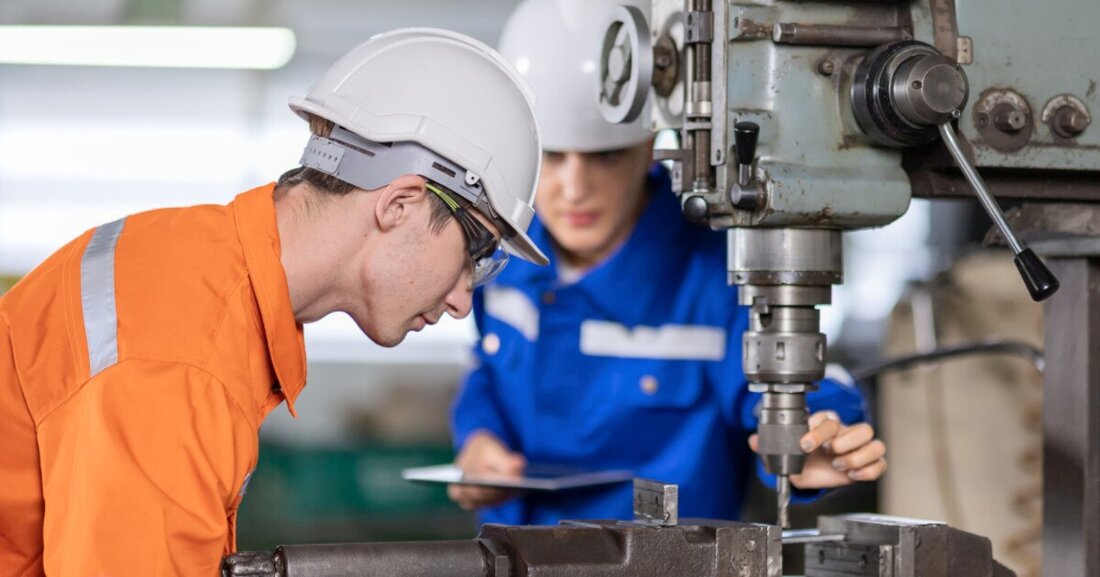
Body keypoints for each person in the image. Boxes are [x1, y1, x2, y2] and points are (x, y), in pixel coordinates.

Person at [0, 28, 546, 576]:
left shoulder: (199, 272)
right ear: (400, 203)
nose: (460, 300)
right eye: (476, 251)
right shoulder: (181, 361)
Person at [447, 0, 887, 525]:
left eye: (605, 157)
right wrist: (478, 440)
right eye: (552, 156)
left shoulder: (716, 271)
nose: (574, 187)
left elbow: (780, 388)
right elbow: (487, 374)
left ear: (653, 144)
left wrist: (819, 436)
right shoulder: (501, 258)